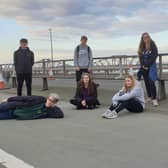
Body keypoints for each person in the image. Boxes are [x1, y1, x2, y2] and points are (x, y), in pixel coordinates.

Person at [138, 32, 159, 106]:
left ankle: (154, 99)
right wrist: (143, 65)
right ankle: (149, 96)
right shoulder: (141, 46)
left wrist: (147, 65)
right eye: (144, 37)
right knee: (146, 82)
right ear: (142, 39)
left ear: (149, 37)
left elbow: (154, 55)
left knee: (151, 82)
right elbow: (140, 57)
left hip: (151, 66)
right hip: (144, 67)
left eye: (147, 37)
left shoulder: (152, 44)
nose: (145, 39)